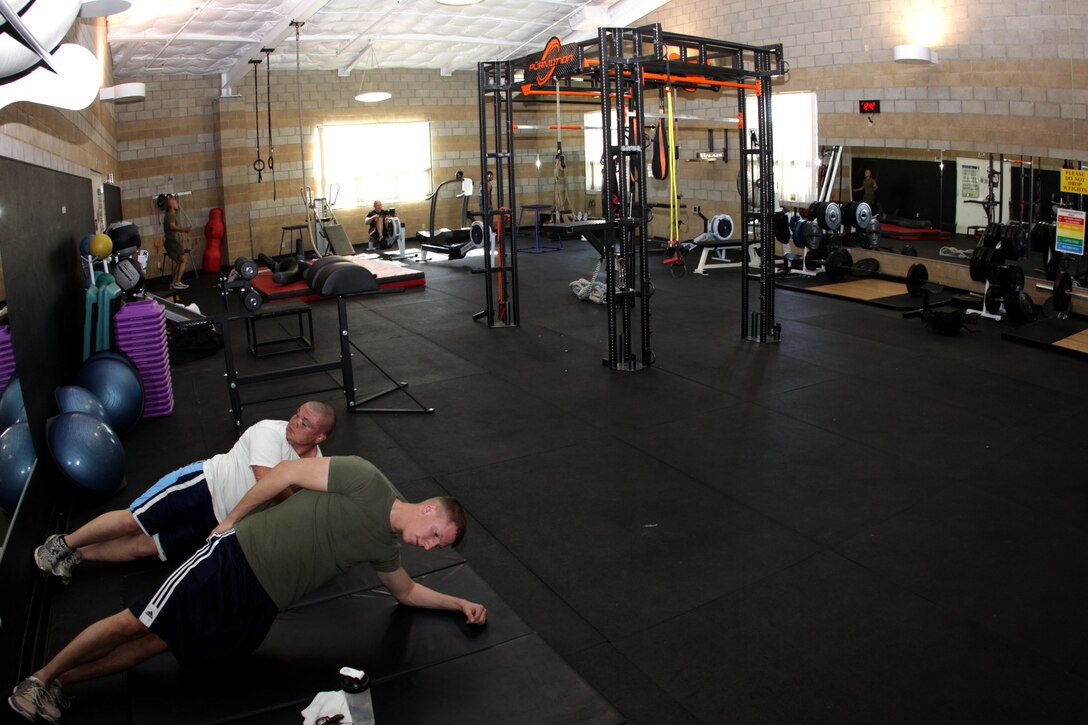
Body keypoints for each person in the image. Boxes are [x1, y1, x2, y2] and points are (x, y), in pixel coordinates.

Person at [8, 456, 486, 724]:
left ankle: (61, 683)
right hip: (234, 559)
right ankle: (36, 680)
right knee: (134, 622)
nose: (429, 546)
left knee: (159, 642)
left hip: (261, 603)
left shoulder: (385, 547)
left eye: (437, 546)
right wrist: (230, 521)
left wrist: (459, 602)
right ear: (429, 510)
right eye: (435, 536)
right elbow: (285, 473)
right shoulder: (367, 480)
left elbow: (406, 593)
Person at [33, 402, 336, 584]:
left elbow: (314, 502)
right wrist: (300, 500)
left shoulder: (316, 462)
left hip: (218, 520)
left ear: (319, 436)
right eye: (297, 414)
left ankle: (78, 555)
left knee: (144, 547)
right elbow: (267, 483)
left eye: (305, 423)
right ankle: (62, 543)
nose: (295, 422)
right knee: (132, 521)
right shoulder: (270, 431)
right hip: (200, 486)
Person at [162, 194, 192, 291]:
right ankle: (177, 282)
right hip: (172, 241)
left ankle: (174, 283)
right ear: (170, 205)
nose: (177, 203)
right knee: (183, 260)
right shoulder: (170, 215)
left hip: (169, 242)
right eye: (174, 201)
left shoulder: (170, 214)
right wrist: (184, 229)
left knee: (179, 262)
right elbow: (172, 227)